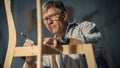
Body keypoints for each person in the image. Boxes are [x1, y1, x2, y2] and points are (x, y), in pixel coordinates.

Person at [23, 0, 109, 68]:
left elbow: (94, 46)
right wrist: (29, 60)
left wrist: (62, 41)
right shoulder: (50, 44)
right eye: (45, 19)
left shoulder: (85, 27)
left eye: (52, 16)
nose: (49, 22)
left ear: (64, 16)